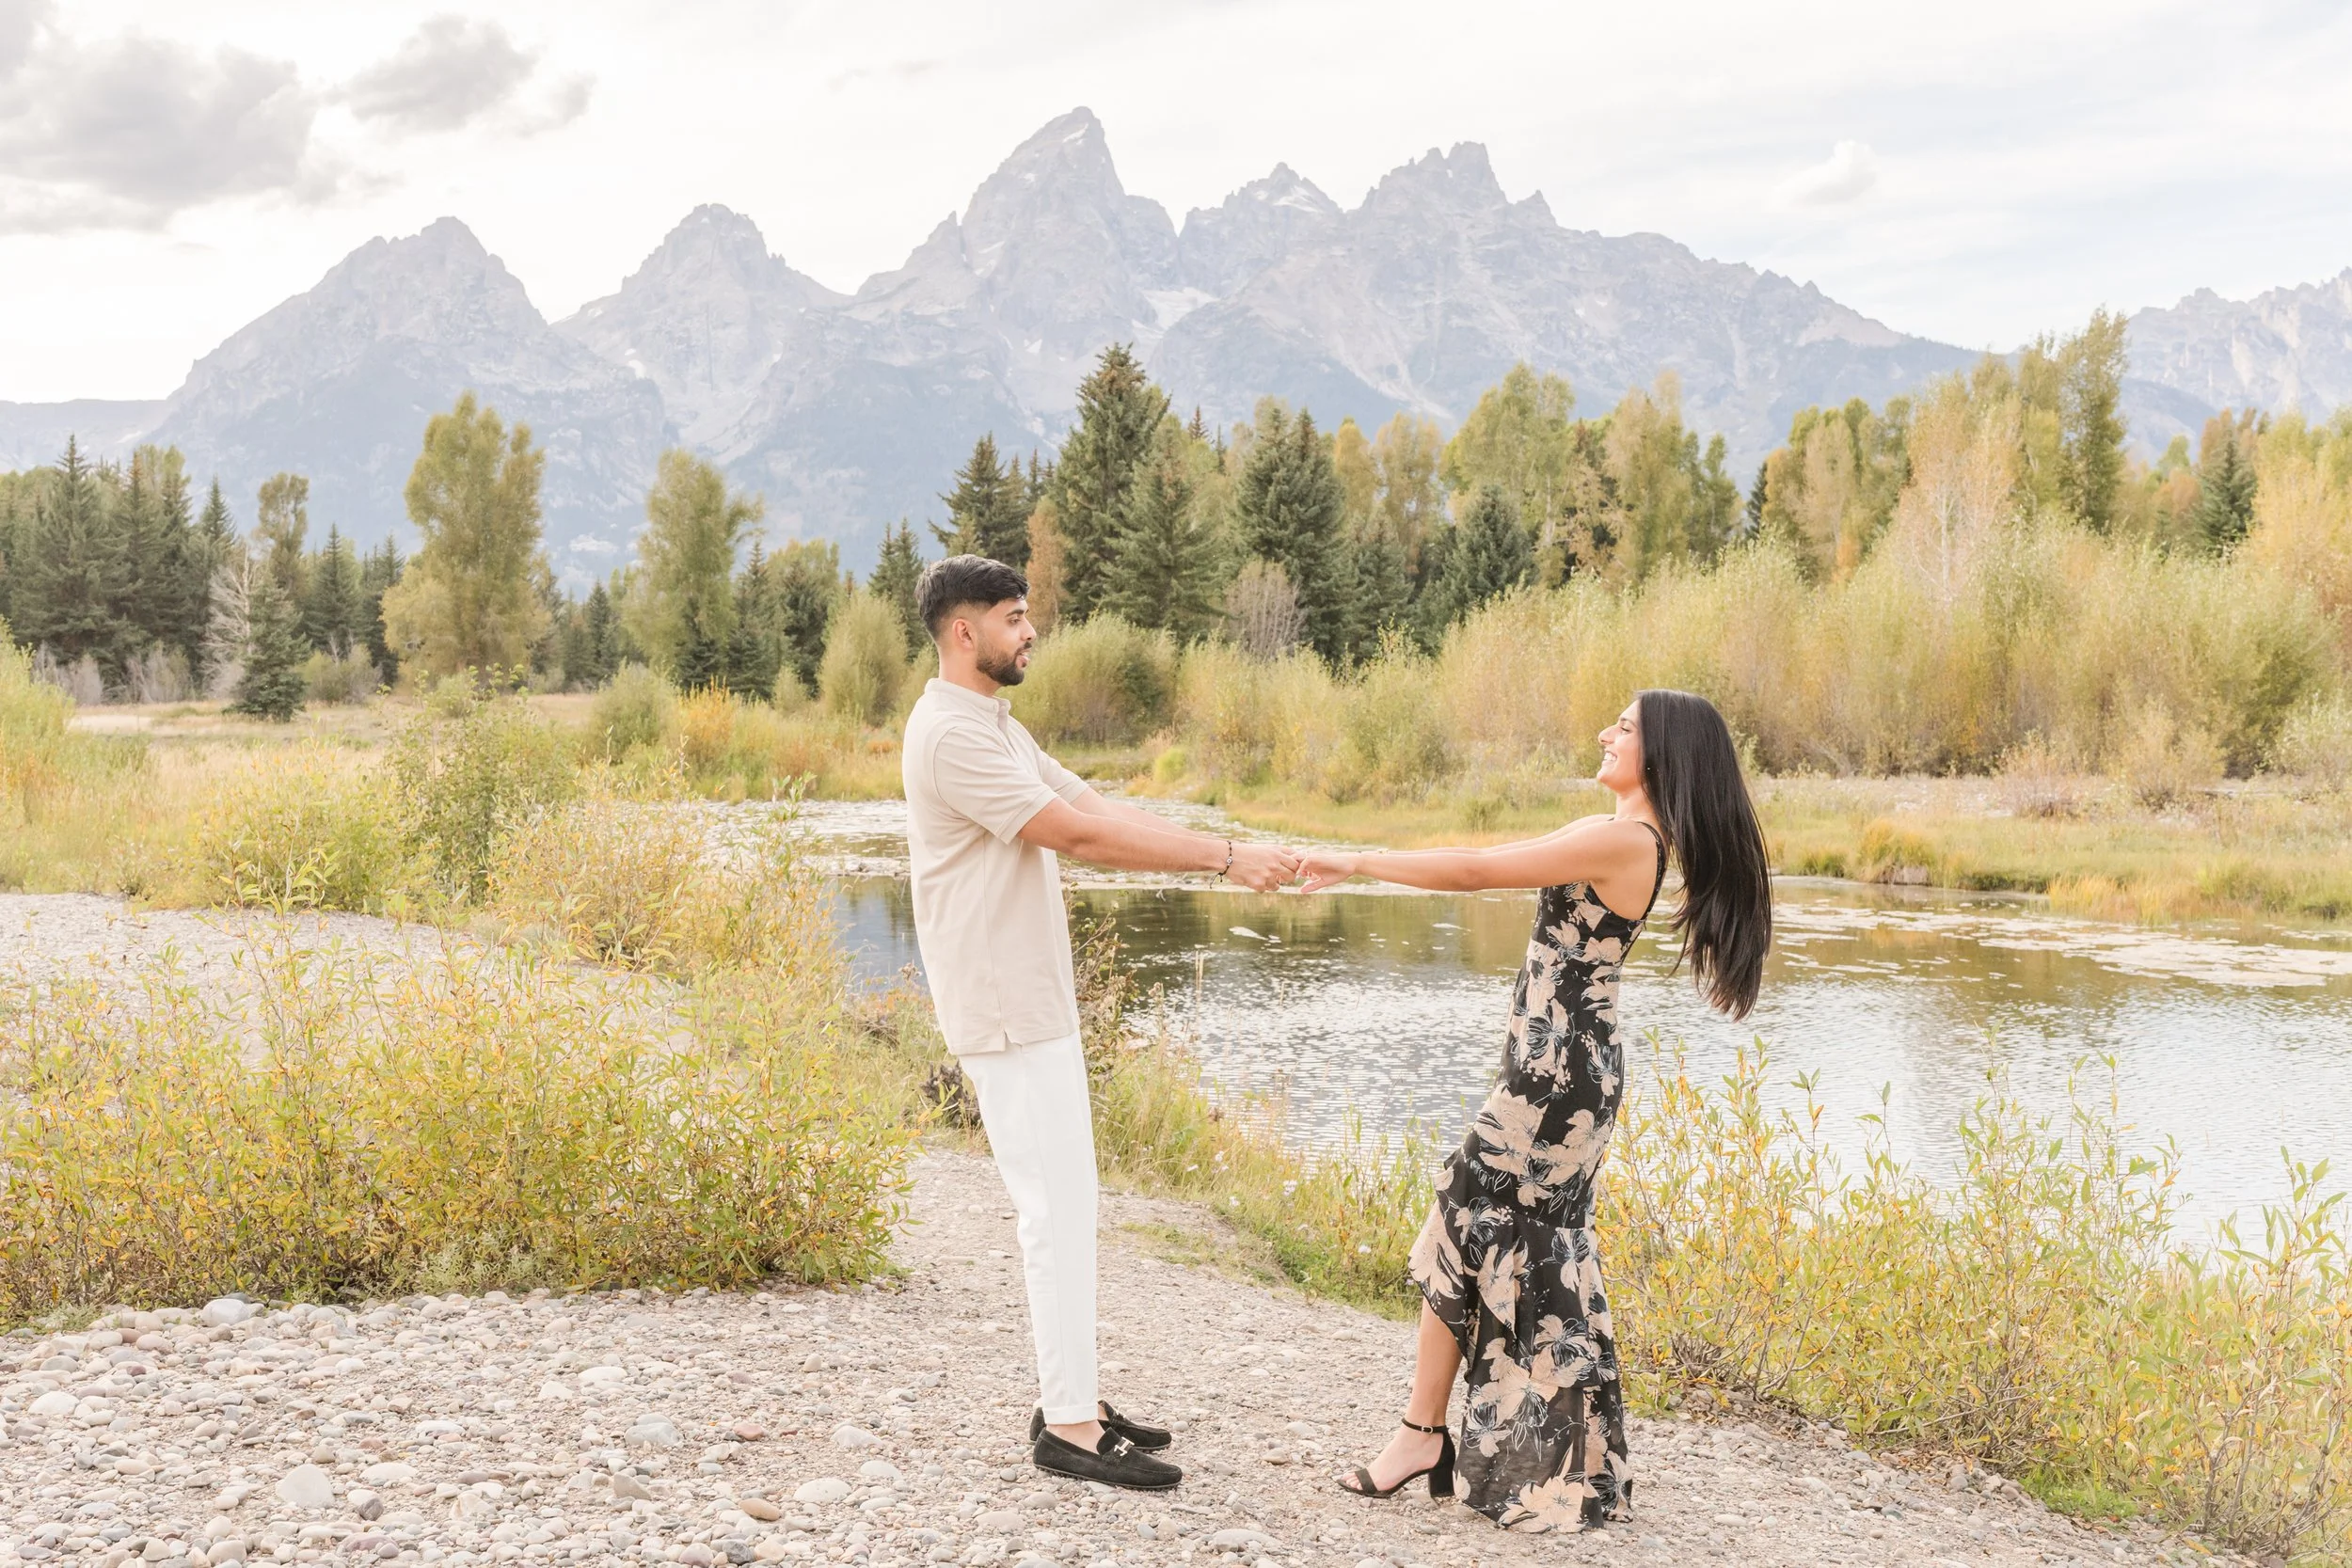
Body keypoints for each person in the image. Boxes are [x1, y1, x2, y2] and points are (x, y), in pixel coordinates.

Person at [1300, 689, 1773, 1531]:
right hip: (1556, 1070)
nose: (1605, 732)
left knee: (1475, 1213)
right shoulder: (1625, 836)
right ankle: (1459, 1439)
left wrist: (1358, 861)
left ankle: (1428, 1436)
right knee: (1503, 1232)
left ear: (1661, 752)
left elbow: (1481, 867)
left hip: (1557, 1080)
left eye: (1624, 727)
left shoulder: (1626, 838)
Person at [902, 555, 1302, 1492]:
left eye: (1026, 611)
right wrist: (1226, 858)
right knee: (1055, 1210)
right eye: (1011, 617)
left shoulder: (994, 724)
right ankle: (1069, 1427)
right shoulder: (949, 737)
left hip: (1031, 998)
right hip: (1005, 1006)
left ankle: (1069, 1393)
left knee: (1069, 1205)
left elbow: (1096, 807)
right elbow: (1073, 836)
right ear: (964, 632)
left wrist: (1233, 848)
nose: (1028, 628)